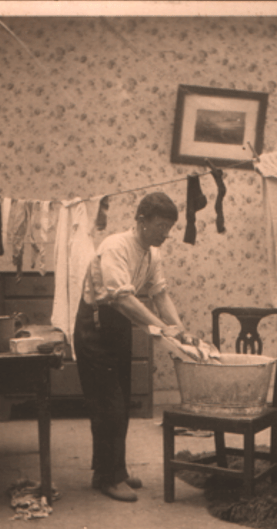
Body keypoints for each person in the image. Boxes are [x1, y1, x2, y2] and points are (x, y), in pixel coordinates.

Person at [74, 191, 192, 503]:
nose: (165, 234)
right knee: (108, 405)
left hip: (119, 327)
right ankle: (109, 478)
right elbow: (123, 299)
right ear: (141, 221)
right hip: (94, 328)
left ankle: (114, 470)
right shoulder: (116, 246)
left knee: (122, 402)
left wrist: (180, 331)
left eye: (169, 228)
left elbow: (160, 294)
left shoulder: (153, 254)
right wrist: (162, 328)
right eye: (160, 226)